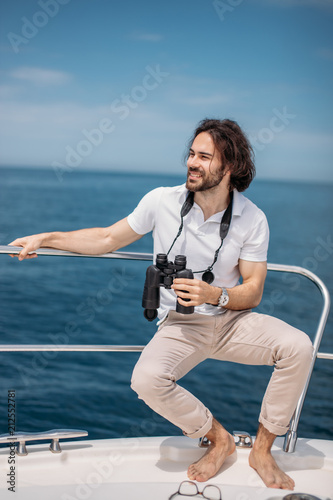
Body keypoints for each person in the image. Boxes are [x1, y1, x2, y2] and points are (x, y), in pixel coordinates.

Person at [9, 118, 313, 490]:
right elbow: (106, 238)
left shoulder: (253, 218)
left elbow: (254, 290)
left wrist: (213, 294)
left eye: (204, 157)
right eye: (191, 154)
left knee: (298, 347)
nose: (191, 162)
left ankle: (263, 450)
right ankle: (218, 439)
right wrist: (46, 237)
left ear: (228, 166)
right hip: (181, 324)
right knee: (147, 380)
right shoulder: (162, 201)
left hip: (233, 319)